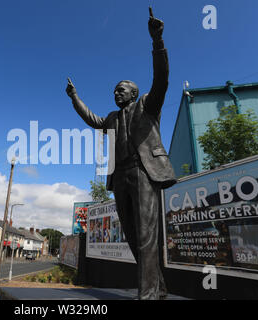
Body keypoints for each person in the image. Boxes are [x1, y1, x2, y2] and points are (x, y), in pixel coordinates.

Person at [65, 7, 176, 300]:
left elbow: (162, 78)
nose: (116, 92)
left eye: (121, 89)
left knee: (146, 236)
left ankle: (149, 294)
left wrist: (157, 42)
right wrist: (75, 98)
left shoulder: (148, 106)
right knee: (132, 236)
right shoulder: (112, 118)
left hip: (143, 171)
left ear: (134, 93)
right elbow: (92, 118)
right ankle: (160, 287)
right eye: (114, 90)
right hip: (120, 176)